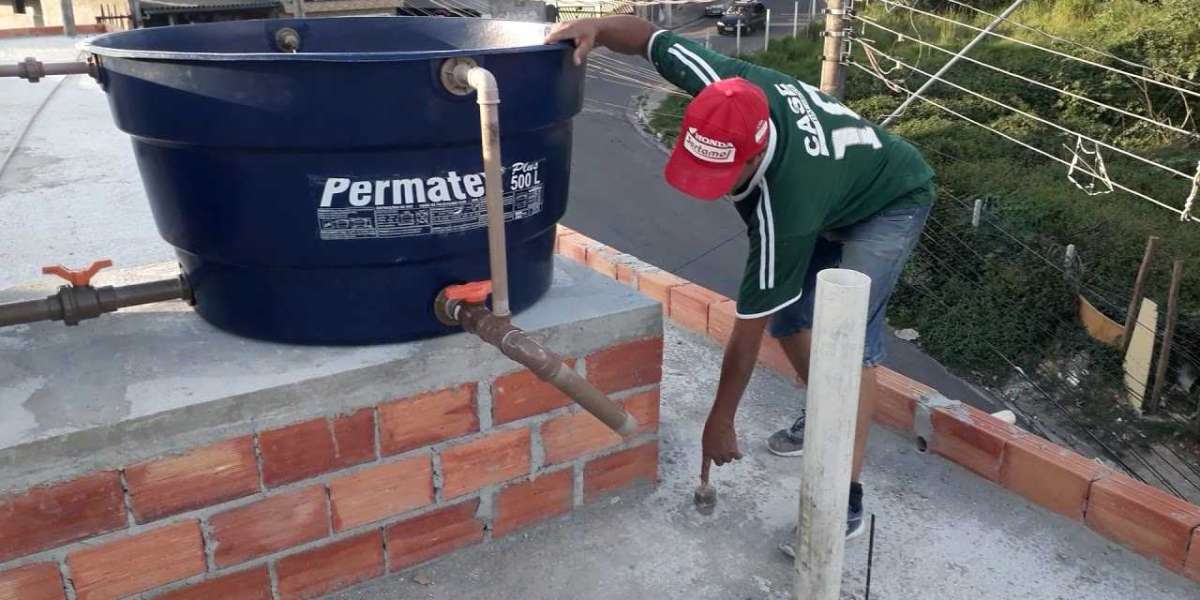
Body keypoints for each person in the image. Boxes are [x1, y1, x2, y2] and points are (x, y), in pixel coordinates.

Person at [546, 16, 934, 547]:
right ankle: (823, 405)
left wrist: (720, 421)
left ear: (754, 153)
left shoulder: (784, 204)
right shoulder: (723, 87)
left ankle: (843, 493)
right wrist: (593, 26)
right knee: (794, 317)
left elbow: (744, 338)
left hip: (889, 199)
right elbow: (643, 36)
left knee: (847, 342)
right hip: (836, 189)